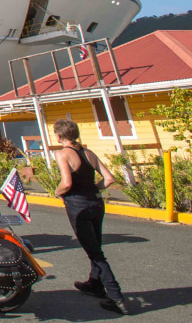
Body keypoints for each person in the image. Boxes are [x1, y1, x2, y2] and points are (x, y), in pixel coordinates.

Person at [52, 119, 128, 315]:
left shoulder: (62, 154)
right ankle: (95, 283)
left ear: (59, 136)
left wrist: (57, 192)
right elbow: (109, 179)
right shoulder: (88, 153)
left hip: (78, 205)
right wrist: (94, 188)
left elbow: (66, 183)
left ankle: (116, 297)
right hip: (96, 202)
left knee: (95, 253)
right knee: (96, 244)